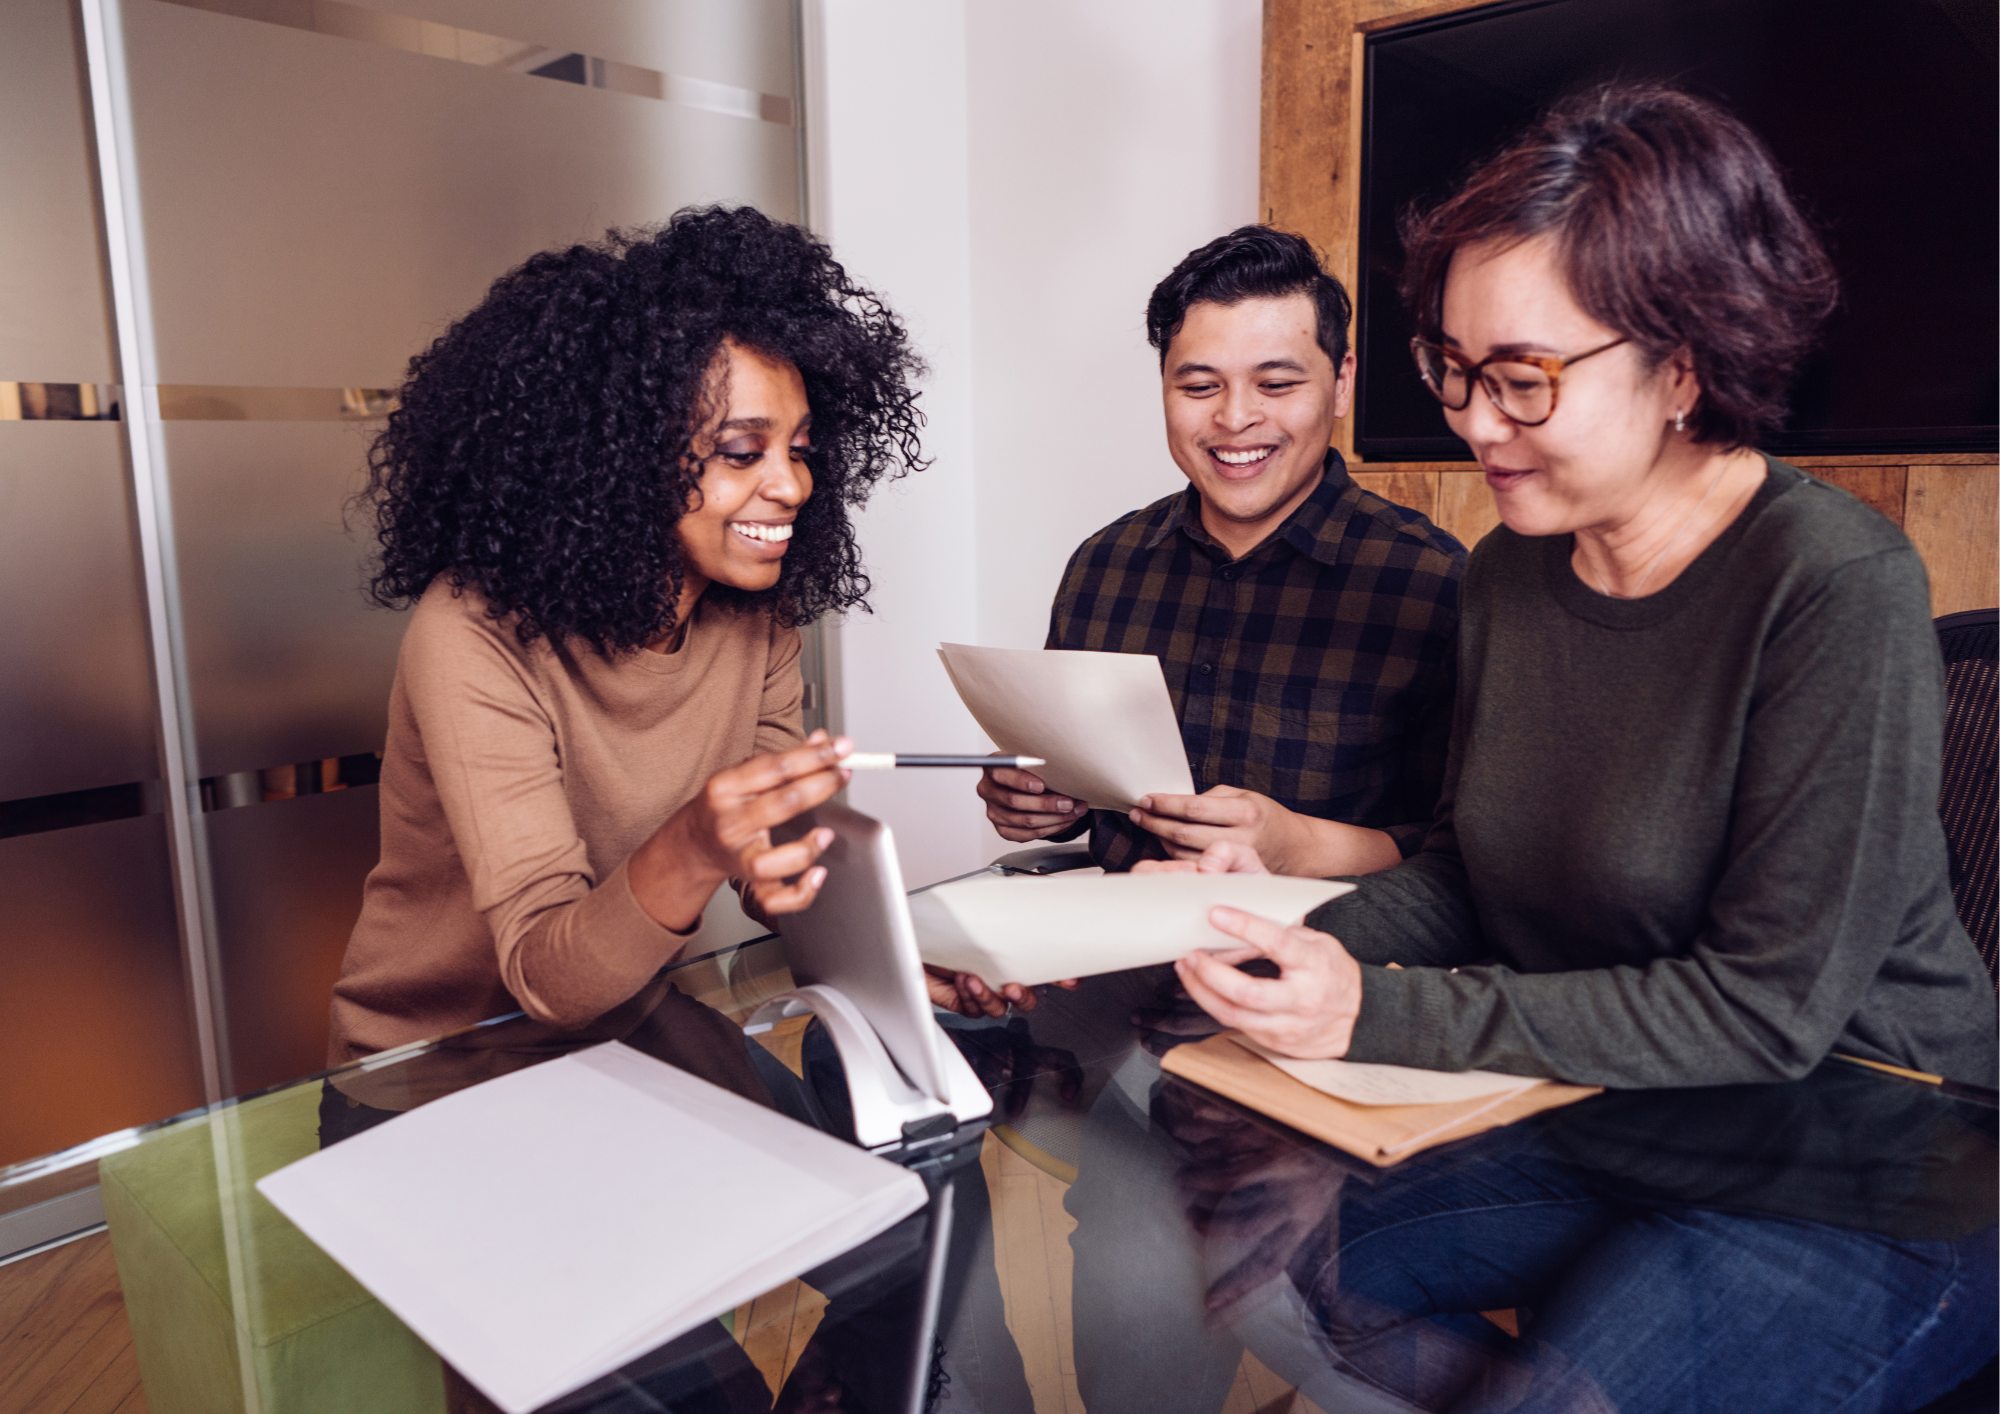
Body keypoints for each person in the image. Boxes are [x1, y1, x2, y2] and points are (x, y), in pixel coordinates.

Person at [1150, 84, 1996, 1410]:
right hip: (1623, 1101)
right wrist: (1286, 936)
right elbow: (1469, 869)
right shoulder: (1508, 573)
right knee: (1272, 1246)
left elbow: (1765, 1010)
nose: (1474, 421)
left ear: (1682, 364)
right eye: (1454, 369)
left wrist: (1374, 1007)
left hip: (1874, 1143)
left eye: (1521, 378)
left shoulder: (1833, 581)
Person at [326, 207, 926, 1065]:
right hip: (434, 1065)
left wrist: (901, 969)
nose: (792, 486)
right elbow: (545, 977)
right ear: (620, 455)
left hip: (624, 1024)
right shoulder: (471, 632)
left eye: (799, 449)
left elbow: (775, 858)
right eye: (741, 452)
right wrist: (697, 841)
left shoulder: (757, 614)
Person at [975, 226, 1464, 883]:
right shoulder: (1104, 566)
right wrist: (1039, 802)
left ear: (1342, 383)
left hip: (1328, 939)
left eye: (1276, 384)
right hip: (1117, 929)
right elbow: (1077, 785)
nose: (1235, 418)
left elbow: (1462, 854)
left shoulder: (1433, 585)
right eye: (1201, 387)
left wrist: (1300, 845)